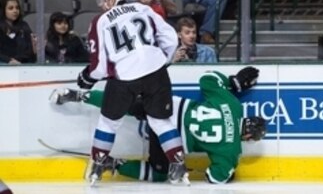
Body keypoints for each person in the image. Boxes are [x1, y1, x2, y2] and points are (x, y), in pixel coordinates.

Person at [51, 66, 265, 183]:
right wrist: (228, 172)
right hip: (170, 143)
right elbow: (214, 177)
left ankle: (79, 95)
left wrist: (233, 83)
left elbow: (207, 79)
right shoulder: (231, 151)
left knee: (122, 104)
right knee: (159, 174)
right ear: (248, 137)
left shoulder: (233, 104)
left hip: (167, 107)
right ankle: (113, 164)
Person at [76, 0, 189, 185]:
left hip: (125, 78)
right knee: (160, 121)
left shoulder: (100, 21)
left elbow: (100, 66)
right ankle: (179, 166)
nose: (101, 5)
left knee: (109, 122)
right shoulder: (142, 8)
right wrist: (162, 60)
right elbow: (171, 38)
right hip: (156, 73)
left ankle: (98, 167)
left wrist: (87, 78)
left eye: (103, 0)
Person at [0, 0, 36, 64]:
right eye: (11, 8)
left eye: (17, 8)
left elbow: (30, 50)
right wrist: (8, 60)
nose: (15, 11)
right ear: (3, 10)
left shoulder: (24, 25)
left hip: (23, 65)